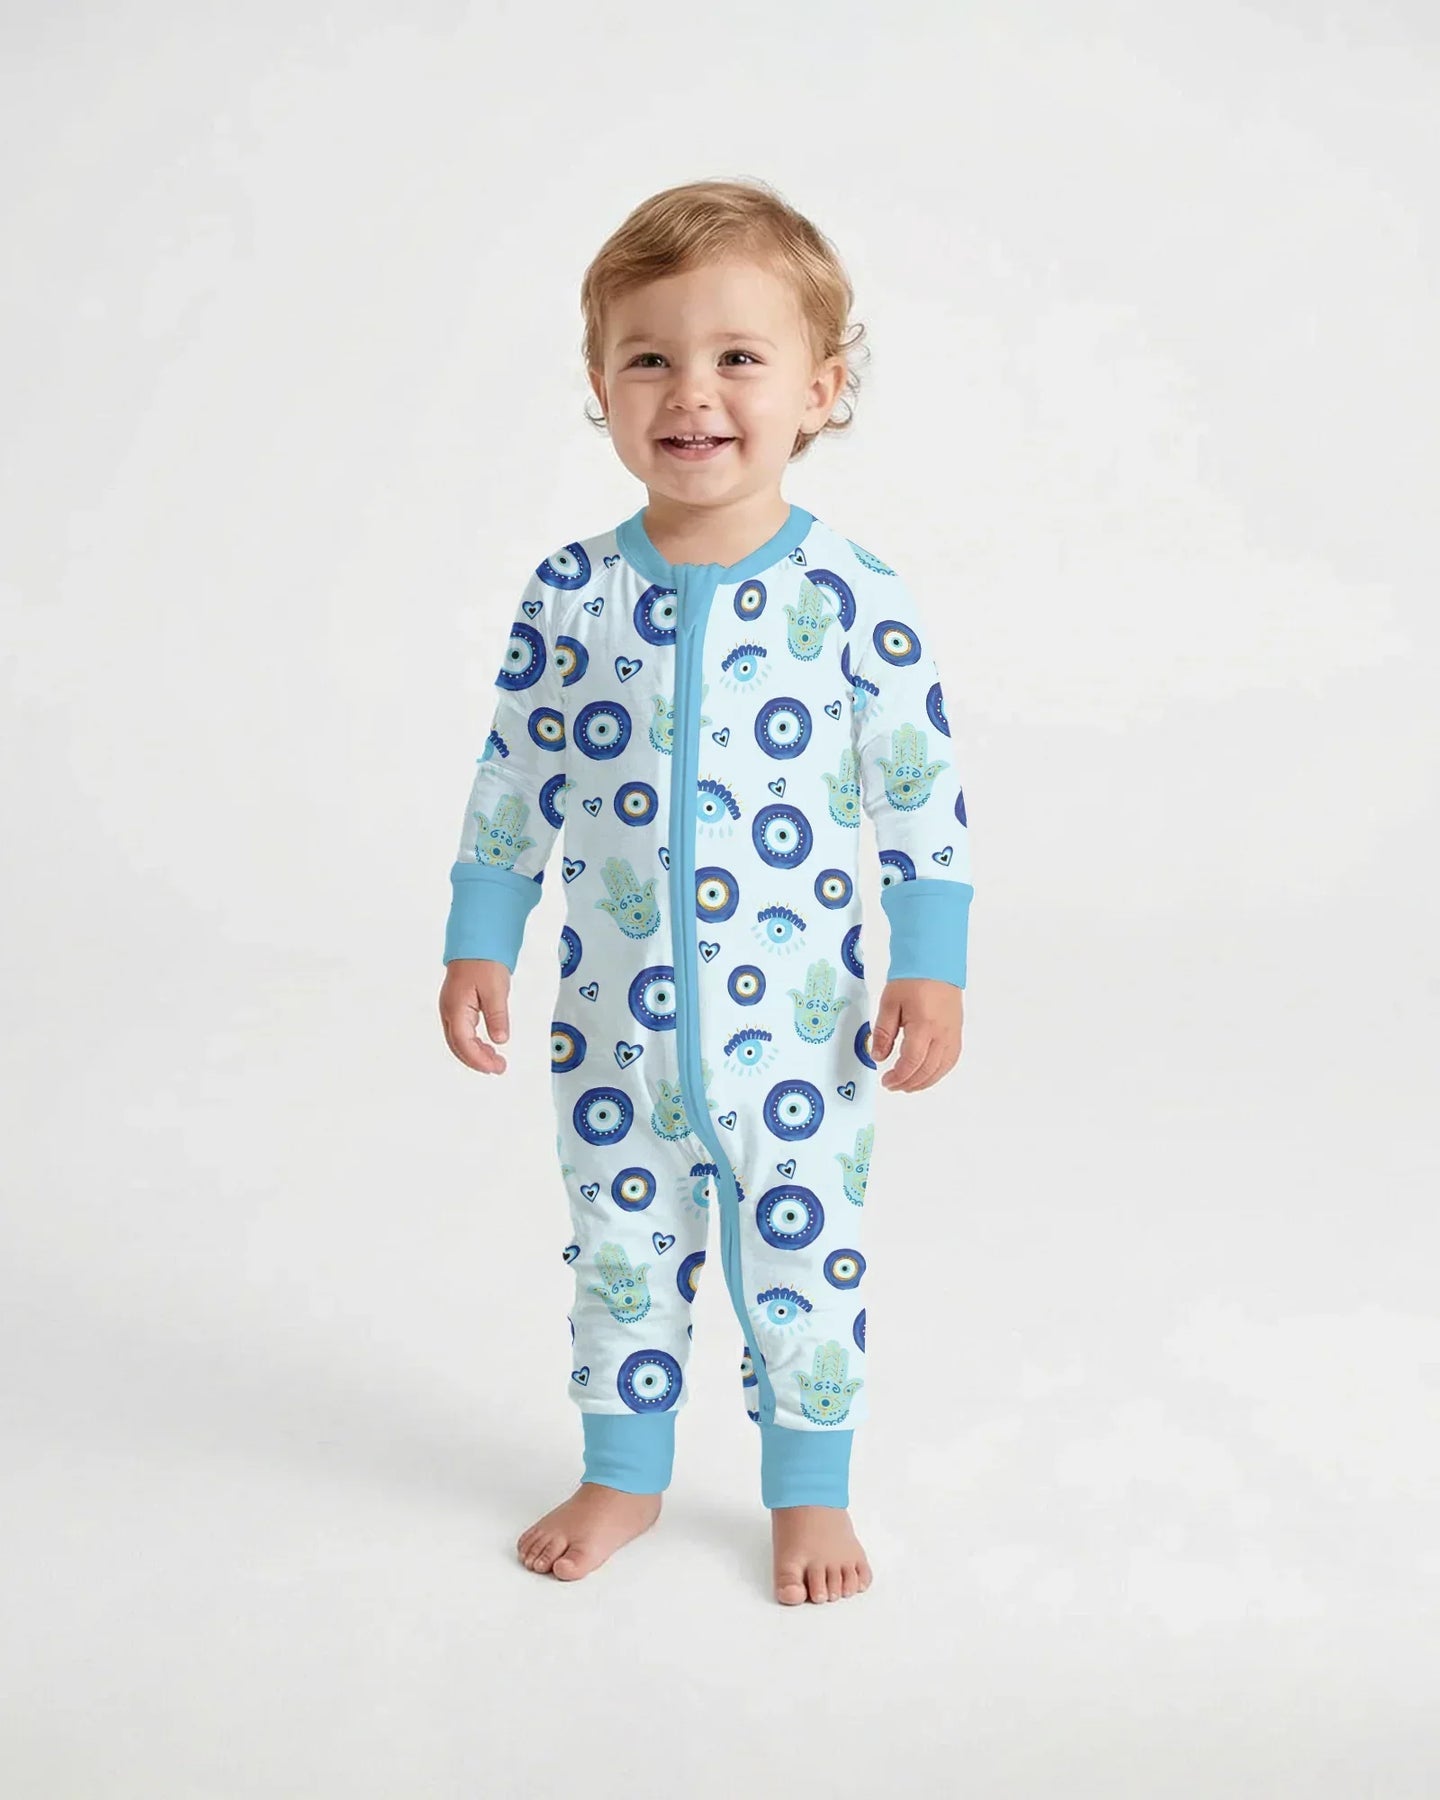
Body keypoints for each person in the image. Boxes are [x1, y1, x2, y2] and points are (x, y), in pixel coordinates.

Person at [438, 177, 974, 1605]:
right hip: (611, 1028)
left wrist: (931, 961)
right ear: (601, 387)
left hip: (800, 1035)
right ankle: (624, 1473)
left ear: (821, 389)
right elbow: (514, 776)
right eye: (650, 357)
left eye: (740, 355)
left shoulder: (853, 593)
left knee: (808, 1258)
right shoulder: (571, 592)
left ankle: (810, 1492)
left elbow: (918, 788)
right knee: (617, 1247)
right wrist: (481, 938)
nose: (693, 391)